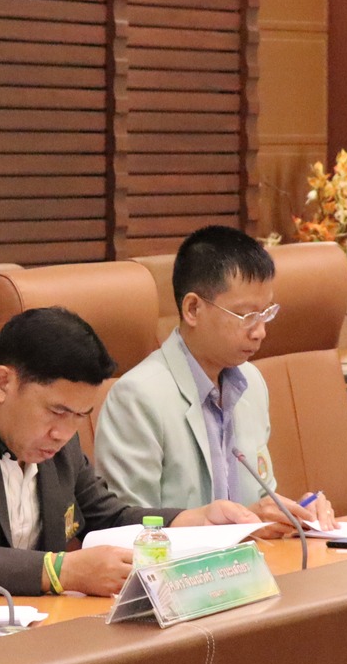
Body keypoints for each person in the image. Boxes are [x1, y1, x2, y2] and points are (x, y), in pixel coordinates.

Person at [0, 306, 257, 604]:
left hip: (14, 634)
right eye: (57, 412)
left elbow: (105, 515)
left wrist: (194, 520)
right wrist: (59, 571)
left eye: (80, 416)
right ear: (3, 383)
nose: (65, 433)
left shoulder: (58, 437)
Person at [96, 226, 334, 534]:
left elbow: (261, 500)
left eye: (266, 313)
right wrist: (237, 528)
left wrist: (295, 513)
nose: (260, 331)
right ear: (193, 309)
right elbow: (130, 529)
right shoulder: (138, 397)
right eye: (247, 316)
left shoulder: (251, 382)